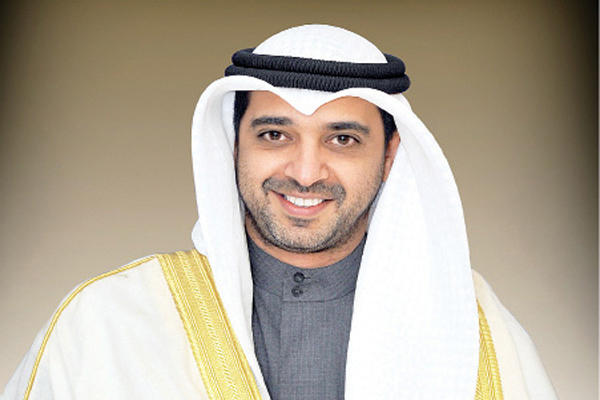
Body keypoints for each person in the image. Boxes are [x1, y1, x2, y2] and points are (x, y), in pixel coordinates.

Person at [2, 24, 557, 400]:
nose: (306, 172)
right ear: (233, 145)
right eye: (274, 134)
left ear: (389, 156)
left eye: (342, 139)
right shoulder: (109, 320)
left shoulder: (471, 325)